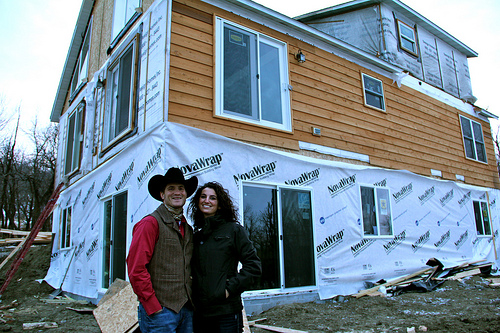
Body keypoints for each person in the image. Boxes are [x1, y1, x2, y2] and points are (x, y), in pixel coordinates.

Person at [127, 167, 198, 333]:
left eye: (181, 188)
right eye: (171, 188)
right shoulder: (150, 223)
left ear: (186, 194)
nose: (177, 193)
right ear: (162, 195)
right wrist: (153, 305)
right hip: (160, 313)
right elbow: (136, 269)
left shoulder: (187, 228)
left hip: (186, 310)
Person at [188, 182, 261, 333]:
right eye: (203, 197)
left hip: (226, 312)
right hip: (200, 314)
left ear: (220, 205)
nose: (207, 200)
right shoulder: (196, 237)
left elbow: (253, 266)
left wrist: (228, 290)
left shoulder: (233, 231)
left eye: (212, 198)